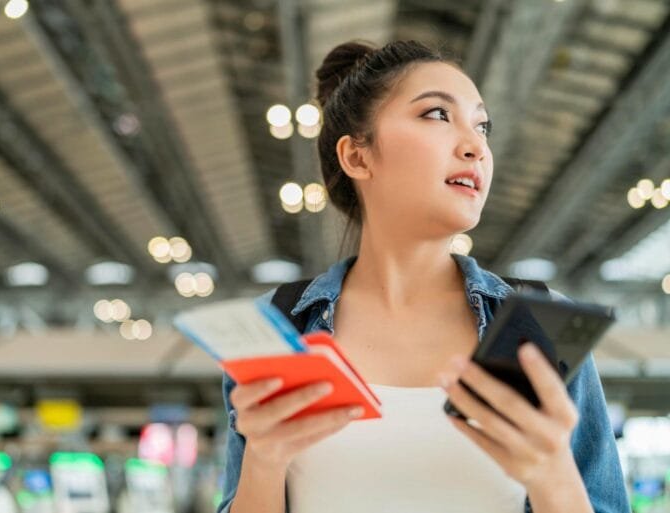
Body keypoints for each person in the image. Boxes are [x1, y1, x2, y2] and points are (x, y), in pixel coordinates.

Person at [217, 40, 630, 513]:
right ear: (357, 157)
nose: (476, 146)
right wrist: (264, 459)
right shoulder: (279, 326)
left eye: (482, 126)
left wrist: (553, 474)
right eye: (437, 114)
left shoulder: (538, 325)